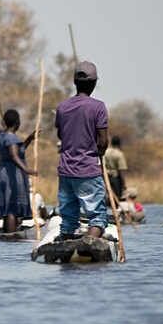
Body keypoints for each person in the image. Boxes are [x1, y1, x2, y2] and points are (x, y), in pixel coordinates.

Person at [54, 61, 109, 240]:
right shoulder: (98, 107)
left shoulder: (62, 107)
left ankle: (68, 247)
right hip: (88, 171)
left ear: (75, 82)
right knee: (98, 217)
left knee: (68, 221)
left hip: (66, 171)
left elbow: (62, 135)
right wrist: (100, 152)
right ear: (94, 84)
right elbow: (103, 141)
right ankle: (90, 243)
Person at [0, 109, 39, 233]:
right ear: (18, 122)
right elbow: (13, 155)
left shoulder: (3, 136)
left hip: (4, 173)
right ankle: (11, 238)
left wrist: (29, 140)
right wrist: (26, 170)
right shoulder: (11, 139)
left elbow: (18, 151)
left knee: (9, 207)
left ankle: (7, 235)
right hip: (13, 175)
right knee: (12, 208)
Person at [104, 136, 128, 201]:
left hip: (106, 178)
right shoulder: (119, 154)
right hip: (115, 178)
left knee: (107, 196)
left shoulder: (106, 152)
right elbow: (121, 171)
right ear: (119, 144)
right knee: (117, 197)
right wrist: (123, 184)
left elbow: (103, 165)